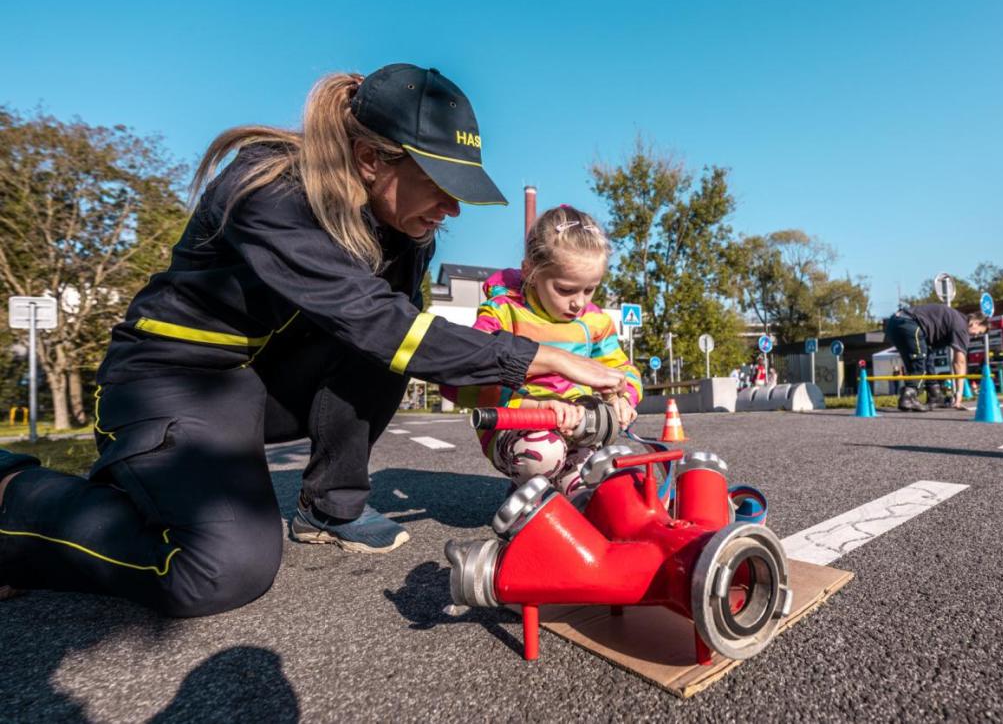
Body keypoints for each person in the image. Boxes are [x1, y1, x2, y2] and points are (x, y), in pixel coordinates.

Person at [0, 65, 625, 616]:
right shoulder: (272, 190)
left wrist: (535, 400)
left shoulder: (405, 231)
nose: (453, 209)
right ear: (371, 158)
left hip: (253, 385)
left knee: (394, 346)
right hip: (171, 379)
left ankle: (329, 508)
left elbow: (410, 348)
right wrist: (540, 354)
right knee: (221, 570)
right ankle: (17, 495)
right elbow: (377, 322)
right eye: (440, 183)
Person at [442, 206, 641, 499]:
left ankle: (566, 495)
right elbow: (460, 375)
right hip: (517, 431)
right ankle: (528, 497)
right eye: (565, 289)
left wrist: (625, 397)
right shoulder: (504, 313)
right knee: (544, 452)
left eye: (590, 290)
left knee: (601, 480)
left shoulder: (595, 321)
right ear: (530, 273)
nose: (578, 303)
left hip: (579, 432)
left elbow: (623, 369)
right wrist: (530, 406)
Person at [883, 304, 988, 412]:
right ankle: (908, 397)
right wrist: (959, 393)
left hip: (894, 324)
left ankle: (935, 395)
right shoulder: (962, 326)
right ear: (975, 323)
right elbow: (959, 362)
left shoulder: (955, 319)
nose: (975, 336)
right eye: (978, 332)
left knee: (926, 356)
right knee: (919, 361)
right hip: (908, 323)